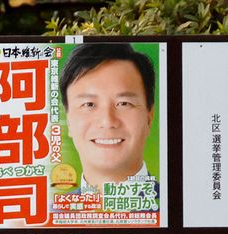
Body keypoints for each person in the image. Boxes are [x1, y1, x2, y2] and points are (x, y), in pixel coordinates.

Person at [58, 43, 157, 191]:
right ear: (69, 122)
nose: (107, 121)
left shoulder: (178, 204)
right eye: (89, 104)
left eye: (123, 103)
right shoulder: (50, 213)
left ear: (149, 117)